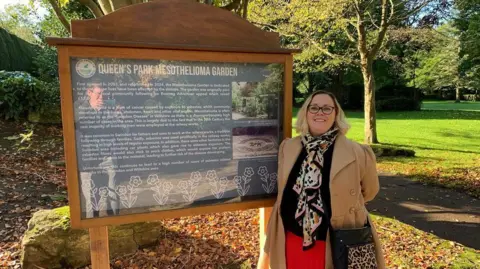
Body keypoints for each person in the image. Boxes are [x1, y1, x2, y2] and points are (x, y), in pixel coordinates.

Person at [257, 90, 385, 269]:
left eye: (327, 108)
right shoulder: (288, 147)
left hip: (335, 240)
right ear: (306, 112)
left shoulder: (358, 153)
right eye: (314, 107)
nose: (320, 113)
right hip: (291, 238)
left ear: (336, 114)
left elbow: (369, 191)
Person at [74, 80, 122, 218]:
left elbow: (120, 131)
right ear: (89, 92)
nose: (101, 98)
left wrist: (119, 118)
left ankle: (114, 220)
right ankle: (92, 223)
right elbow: (76, 121)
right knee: (90, 194)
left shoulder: (108, 108)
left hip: (108, 156)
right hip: (89, 157)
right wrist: (90, 107)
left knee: (113, 190)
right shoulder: (78, 106)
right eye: (98, 94)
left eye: (103, 95)